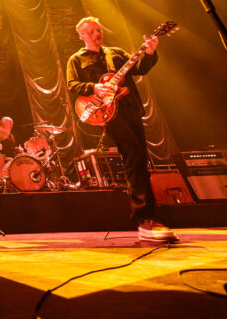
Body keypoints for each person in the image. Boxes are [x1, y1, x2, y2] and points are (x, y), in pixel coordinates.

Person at [66, 17, 177, 242]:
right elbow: (72, 86)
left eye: (98, 29)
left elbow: (140, 69)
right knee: (134, 154)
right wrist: (94, 86)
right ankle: (144, 220)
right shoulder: (76, 59)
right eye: (92, 31)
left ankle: (149, 220)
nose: (97, 33)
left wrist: (150, 52)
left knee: (140, 160)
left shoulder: (115, 52)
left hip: (130, 108)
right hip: (107, 113)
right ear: (82, 35)